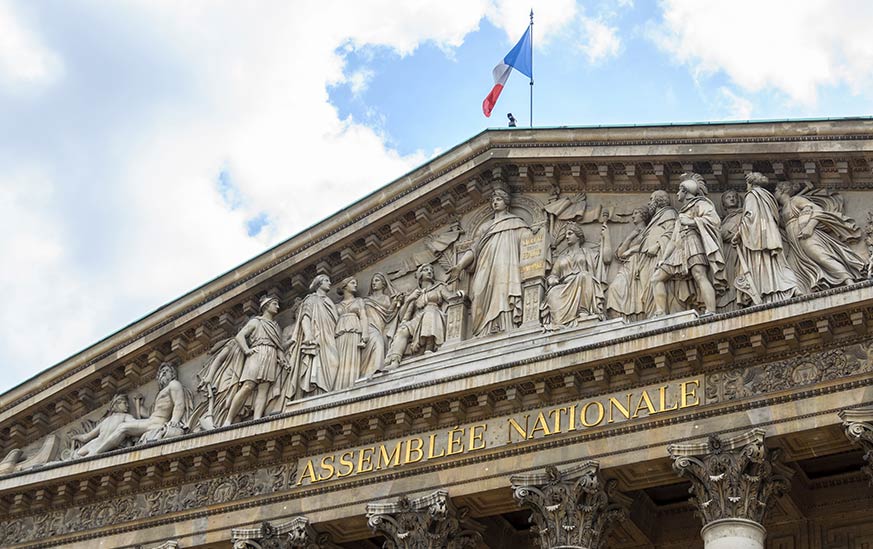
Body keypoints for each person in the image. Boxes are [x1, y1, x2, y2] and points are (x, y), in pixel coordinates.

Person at [448, 188, 530, 336]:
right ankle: (482, 332)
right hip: (484, 267)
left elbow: (528, 241)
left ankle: (504, 327)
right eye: (493, 200)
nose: (494, 203)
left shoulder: (516, 223)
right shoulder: (485, 227)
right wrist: (460, 266)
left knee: (503, 290)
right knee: (478, 292)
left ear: (506, 202)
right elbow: (474, 249)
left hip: (506, 263)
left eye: (498, 199)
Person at [651, 173, 726, 316]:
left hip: (694, 244)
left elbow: (714, 221)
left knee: (699, 274)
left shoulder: (701, 204)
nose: (677, 194)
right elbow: (673, 240)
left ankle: (711, 311)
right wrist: (664, 259)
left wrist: (692, 222)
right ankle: (660, 313)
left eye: (679, 191)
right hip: (679, 248)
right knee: (656, 278)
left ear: (685, 191)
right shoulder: (681, 213)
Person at [81, 363, 190, 455]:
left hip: (158, 423)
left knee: (123, 427)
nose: (164, 373)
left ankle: (97, 452)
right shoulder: (161, 393)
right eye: (162, 372)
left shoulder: (173, 384)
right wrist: (140, 405)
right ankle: (98, 450)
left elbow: (179, 404)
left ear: (173, 374)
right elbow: (148, 413)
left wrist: (174, 421)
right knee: (123, 427)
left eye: (167, 371)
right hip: (151, 421)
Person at [775, 181, 865, 292]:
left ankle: (848, 280)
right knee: (793, 268)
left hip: (805, 235)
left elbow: (817, 210)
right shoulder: (782, 209)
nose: (774, 193)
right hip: (794, 243)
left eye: (775, 190)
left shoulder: (796, 200)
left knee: (821, 256)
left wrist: (810, 227)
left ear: (783, 190)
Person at [732, 173, 798, 305]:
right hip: (771, 235)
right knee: (777, 264)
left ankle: (768, 293)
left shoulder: (752, 195)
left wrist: (738, 233)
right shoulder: (768, 197)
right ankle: (792, 287)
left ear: (750, 183)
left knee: (762, 265)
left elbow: (750, 216)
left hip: (758, 237)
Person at [222, 296, 285, 426]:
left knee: (264, 389)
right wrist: (246, 350)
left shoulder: (276, 327)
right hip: (257, 353)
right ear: (266, 306)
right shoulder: (256, 322)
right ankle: (228, 419)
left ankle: (257, 419)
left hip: (271, 354)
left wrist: (283, 359)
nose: (277, 307)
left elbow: (278, 346)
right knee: (248, 386)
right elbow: (240, 336)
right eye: (274, 304)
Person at [384, 264, 462, 368]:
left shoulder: (439, 287)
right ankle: (395, 361)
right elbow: (404, 316)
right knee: (403, 330)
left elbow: (450, 297)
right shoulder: (416, 292)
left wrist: (459, 294)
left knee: (429, 313)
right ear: (420, 274)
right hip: (417, 317)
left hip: (434, 313)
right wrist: (409, 299)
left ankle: (428, 348)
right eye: (426, 270)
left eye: (431, 270)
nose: (429, 272)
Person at [541, 221, 611, 329]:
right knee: (552, 293)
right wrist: (552, 280)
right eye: (566, 234)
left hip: (582, 284)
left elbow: (606, 259)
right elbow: (553, 275)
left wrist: (606, 238)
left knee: (584, 276)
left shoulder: (587, 253)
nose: (566, 236)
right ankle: (560, 321)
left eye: (570, 233)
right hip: (564, 287)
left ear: (578, 236)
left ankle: (584, 311)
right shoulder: (562, 257)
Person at [284, 274, 339, 399]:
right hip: (317, 336)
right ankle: (316, 394)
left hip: (330, 336)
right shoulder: (311, 299)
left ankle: (326, 393)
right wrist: (308, 334)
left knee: (334, 363)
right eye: (326, 280)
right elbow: (305, 317)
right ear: (318, 283)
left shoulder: (329, 301)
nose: (329, 283)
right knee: (318, 365)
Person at [638, 190, 679, 315]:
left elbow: (672, 233)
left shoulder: (669, 213)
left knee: (656, 281)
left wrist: (657, 246)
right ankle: (651, 316)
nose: (649, 202)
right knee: (647, 288)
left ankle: (660, 313)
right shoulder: (656, 218)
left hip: (660, 254)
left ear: (658, 200)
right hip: (647, 258)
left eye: (651, 199)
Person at [606, 207, 651, 318]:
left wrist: (631, 250)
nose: (633, 216)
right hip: (628, 264)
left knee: (638, 294)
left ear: (643, 216)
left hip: (640, 263)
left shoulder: (649, 230)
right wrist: (630, 237)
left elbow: (649, 245)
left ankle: (638, 318)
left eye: (636, 213)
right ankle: (617, 319)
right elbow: (620, 254)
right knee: (614, 288)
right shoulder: (633, 233)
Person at [361, 273, 402, 378]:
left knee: (380, 343)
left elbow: (388, 314)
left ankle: (368, 372)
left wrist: (397, 302)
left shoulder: (386, 299)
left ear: (383, 284)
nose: (374, 283)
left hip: (381, 326)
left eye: (377, 280)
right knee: (378, 342)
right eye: (373, 281)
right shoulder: (366, 300)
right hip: (369, 326)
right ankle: (375, 371)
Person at [71, 394, 137, 457]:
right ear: (116, 404)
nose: (127, 405)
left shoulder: (106, 420)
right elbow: (136, 424)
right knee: (78, 456)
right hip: (104, 446)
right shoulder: (125, 416)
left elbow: (86, 437)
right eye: (124, 403)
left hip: (98, 445)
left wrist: (75, 437)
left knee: (77, 456)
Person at [334, 277, 368, 390]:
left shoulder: (359, 301)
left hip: (354, 331)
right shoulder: (336, 306)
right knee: (339, 360)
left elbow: (363, 317)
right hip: (339, 334)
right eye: (352, 283)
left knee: (351, 358)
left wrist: (365, 334)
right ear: (345, 286)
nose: (355, 285)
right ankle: (338, 388)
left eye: (356, 283)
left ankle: (350, 385)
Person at [718, 189, 743, 309]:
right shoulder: (723, 221)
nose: (732, 198)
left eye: (734, 196)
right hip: (726, 252)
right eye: (728, 197)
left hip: (739, 250)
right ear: (723, 204)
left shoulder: (743, 214)